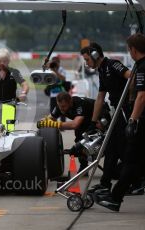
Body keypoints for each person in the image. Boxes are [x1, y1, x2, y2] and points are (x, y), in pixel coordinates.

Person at [95, 33, 145, 212]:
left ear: (133, 49)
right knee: (133, 160)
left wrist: (132, 120)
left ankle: (116, 197)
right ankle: (116, 196)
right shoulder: (139, 66)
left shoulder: (142, 67)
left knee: (131, 159)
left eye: (129, 49)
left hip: (140, 121)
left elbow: (142, 96)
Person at [80, 42, 132, 193]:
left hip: (125, 109)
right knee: (110, 149)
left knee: (123, 148)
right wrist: (93, 122)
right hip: (116, 111)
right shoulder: (102, 70)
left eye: (87, 59)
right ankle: (105, 183)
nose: (86, 63)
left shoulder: (112, 64)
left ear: (96, 55)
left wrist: (132, 98)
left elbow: (131, 76)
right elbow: (100, 98)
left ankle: (136, 182)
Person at [37, 92, 110, 173]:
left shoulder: (79, 104)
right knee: (79, 141)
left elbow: (75, 124)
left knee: (102, 141)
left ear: (70, 102)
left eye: (64, 106)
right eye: (60, 106)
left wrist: (55, 124)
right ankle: (83, 166)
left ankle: (110, 164)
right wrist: (41, 123)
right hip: (85, 121)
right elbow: (50, 119)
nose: (61, 109)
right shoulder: (60, 107)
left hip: (100, 116)